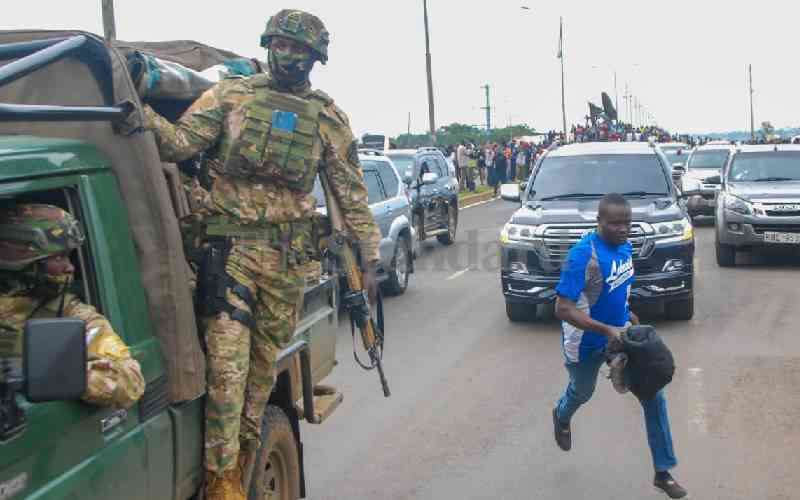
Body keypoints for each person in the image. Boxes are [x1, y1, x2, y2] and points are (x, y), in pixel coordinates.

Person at [141, 9, 382, 500]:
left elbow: (351, 195)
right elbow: (181, 144)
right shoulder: (231, 96)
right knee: (227, 372)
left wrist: (369, 259)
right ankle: (221, 480)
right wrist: (137, 112)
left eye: (300, 50)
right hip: (231, 256)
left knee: (258, 378)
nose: (288, 56)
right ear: (269, 45)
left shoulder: (327, 117)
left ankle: (242, 470)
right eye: (282, 45)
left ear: (316, 58)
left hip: (287, 265)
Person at [552, 194, 687, 499]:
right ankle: (561, 415)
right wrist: (605, 329)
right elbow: (562, 308)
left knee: (653, 394)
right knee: (582, 392)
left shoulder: (625, 247)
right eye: (614, 223)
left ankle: (663, 472)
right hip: (584, 342)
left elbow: (616, 287)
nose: (623, 228)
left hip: (620, 334)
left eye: (627, 222)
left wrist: (628, 316)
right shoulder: (581, 255)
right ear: (598, 222)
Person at [0, 204, 145, 409]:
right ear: (23, 261)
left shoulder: (73, 314)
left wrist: (58, 373)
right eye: (59, 257)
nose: (70, 267)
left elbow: (130, 379)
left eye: (68, 256)